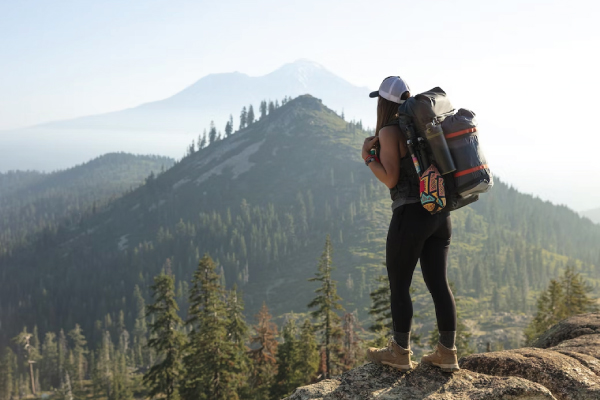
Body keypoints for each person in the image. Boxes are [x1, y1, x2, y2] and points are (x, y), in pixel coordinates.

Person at [362, 76, 460, 373]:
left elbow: (391, 178)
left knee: (399, 284)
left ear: (383, 102)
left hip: (410, 215)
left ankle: (400, 352)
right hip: (439, 213)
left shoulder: (390, 131)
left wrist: (368, 158)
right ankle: (447, 352)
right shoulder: (425, 126)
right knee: (438, 285)